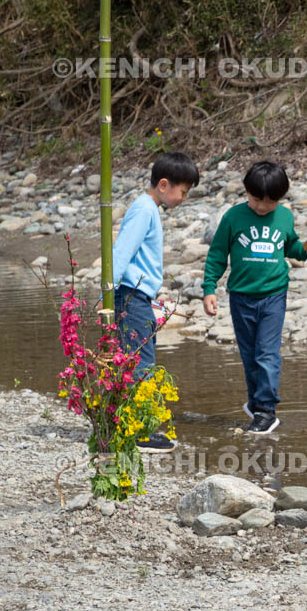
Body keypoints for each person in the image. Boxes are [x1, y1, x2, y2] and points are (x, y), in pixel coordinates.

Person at [201, 161, 307, 434]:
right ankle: (256, 403)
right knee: (249, 355)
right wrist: (209, 288)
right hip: (241, 297)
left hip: (274, 295)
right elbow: (217, 254)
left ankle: (267, 410)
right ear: (247, 191)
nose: (263, 207)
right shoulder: (233, 217)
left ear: (280, 198)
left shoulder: (285, 217)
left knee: (267, 354)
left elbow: (290, 247)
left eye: (270, 202)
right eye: (257, 200)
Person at [110, 151, 200, 453]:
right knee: (140, 361)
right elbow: (121, 252)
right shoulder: (144, 209)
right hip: (131, 294)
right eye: (183, 192)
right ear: (164, 185)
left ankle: (127, 425)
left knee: (135, 358)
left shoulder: (148, 208)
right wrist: (107, 294)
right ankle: (139, 432)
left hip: (137, 295)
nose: (184, 198)